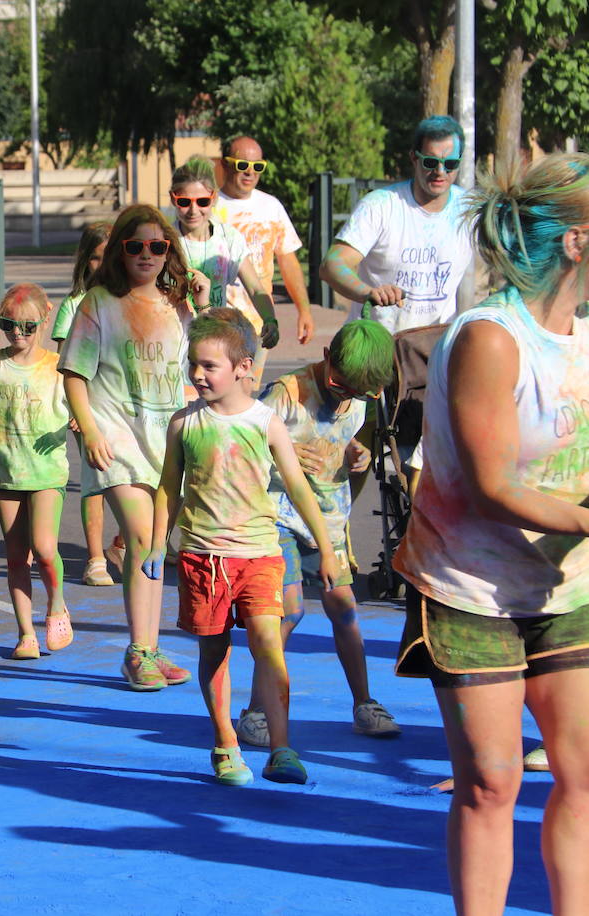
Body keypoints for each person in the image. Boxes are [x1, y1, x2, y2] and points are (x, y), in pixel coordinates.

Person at [391, 153, 589, 914]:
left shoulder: (579, 337)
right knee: (492, 779)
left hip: (566, 586)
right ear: (575, 242)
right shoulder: (490, 338)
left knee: (582, 770)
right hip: (470, 588)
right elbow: (492, 485)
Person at [145, 307, 339, 786]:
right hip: (202, 558)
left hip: (259, 555)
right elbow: (168, 487)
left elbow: (297, 486)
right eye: (194, 364)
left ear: (243, 368)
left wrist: (328, 548)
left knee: (269, 648)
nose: (198, 374)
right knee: (214, 655)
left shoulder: (265, 423)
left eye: (209, 366)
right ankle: (225, 743)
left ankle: (281, 748)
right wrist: (155, 544)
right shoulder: (184, 424)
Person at [234, 319, 401, 747]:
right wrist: (281, 459)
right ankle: (256, 709)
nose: (344, 395)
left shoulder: (362, 398)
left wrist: (356, 454)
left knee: (344, 608)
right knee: (289, 613)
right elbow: (241, 454)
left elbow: (343, 439)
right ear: (327, 357)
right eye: (338, 385)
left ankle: (364, 703)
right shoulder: (285, 395)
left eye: (356, 393)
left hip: (328, 519)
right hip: (279, 516)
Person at [59, 204, 205, 691]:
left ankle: (150, 646)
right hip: (115, 436)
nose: (147, 255)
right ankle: (138, 650)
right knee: (142, 537)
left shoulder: (178, 306)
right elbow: (74, 376)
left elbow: (210, 358)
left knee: (157, 546)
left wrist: (202, 302)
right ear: (120, 250)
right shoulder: (97, 303)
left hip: (165, 440)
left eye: (157, 247)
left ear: (169, 253)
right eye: (136, 246)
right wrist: (90, 431)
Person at [0, 283, 72, 659]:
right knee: (15, 557)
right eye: (9, 325)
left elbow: (81, 409)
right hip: (7, 472)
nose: (17, 334)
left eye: (27, 327)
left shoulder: (59, 367)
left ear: (45, 321)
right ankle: (26, 633)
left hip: (47, 472)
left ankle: (57, 604)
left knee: (44, 549)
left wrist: (78, 425)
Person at [321, 116, 475, 334]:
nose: (440, 171)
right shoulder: (381, 205)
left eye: (450, 164)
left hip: (433, 349)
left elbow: (510, 256)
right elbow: (332, 265)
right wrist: (369, 293)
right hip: (377, 348)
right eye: (430, 162)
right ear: (413, 157)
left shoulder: (470, 210)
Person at [50, 222, 117, 587]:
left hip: (126, 406)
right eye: (96, 258)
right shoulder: (74, 305)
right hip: (89, 408)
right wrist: (78, 411)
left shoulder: (131, 299)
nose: (103, 265)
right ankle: (95, 558)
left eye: (111, 257)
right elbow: (67, 365)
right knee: (95, 479)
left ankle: (127, 543)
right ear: (85, 262)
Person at [215, 135, 315, 355]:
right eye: (242, 165)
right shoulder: (208, 207)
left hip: (258, 323)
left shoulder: (271, 206)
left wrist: (304, 311)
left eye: (258, 166)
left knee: (247, 388)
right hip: (216, 322)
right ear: (225, 165)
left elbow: (287, 259)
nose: (250, 172)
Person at [170, 156, 279, 338]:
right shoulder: (164, 240)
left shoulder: (228, 238)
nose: (193, 210)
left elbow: (255, 288)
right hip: (176, 338)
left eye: (202, 201)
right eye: (184, 202)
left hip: (214, 338)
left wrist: (270, 320)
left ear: (214, 198)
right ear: (173, 199)